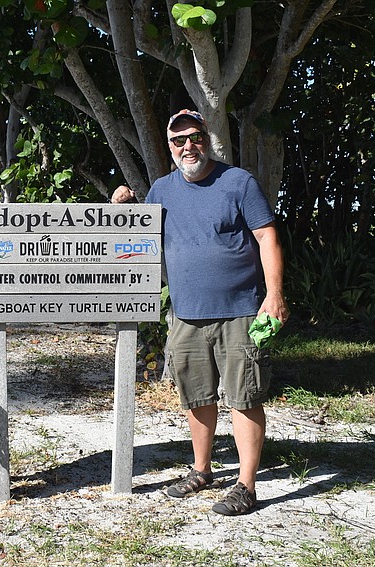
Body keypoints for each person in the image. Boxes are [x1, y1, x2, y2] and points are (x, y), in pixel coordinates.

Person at [112, 109, 290, 515]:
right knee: (196, 397)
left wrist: (275, 294)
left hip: (240, 311)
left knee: (244, 397)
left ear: (205, 137)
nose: (187, 146)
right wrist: (122, 209)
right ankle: (202, 470)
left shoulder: (238, 182)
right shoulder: (161, 190)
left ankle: (246, 486)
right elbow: (140, 239)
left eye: (194, 137)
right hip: (186, 315)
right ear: (169, 146)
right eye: (178, 140)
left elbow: (267, 237)